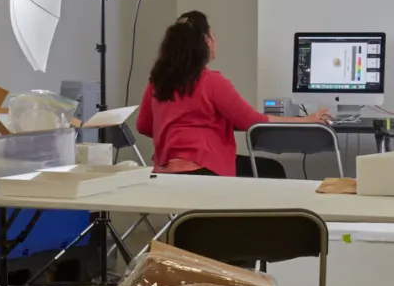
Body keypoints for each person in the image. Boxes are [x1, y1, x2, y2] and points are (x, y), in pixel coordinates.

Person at [136, 10, 330, 177]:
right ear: (206, 41)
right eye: (213, 35)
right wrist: (306, 120)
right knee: (272, 170)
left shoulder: (157, 82)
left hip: (164, 174)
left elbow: (143, 126)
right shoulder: (211, 81)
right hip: (204, 171)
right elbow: (253, 121)